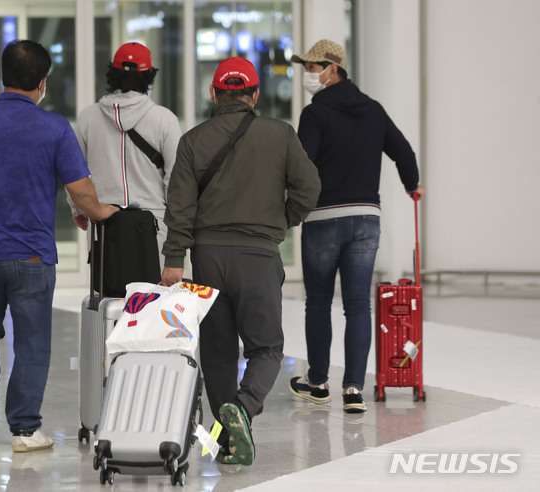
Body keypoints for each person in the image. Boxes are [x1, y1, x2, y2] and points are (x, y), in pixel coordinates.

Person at [0, 40, 118, 452]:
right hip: (34, 254)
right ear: (42, 83)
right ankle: (24, 430)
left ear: (2, 77)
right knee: (33, 341)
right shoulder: (54, 127)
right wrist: (103, 213)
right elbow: (82, 192)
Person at [161, 57, 320, 466]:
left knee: (217, 352)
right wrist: (280, 221)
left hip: (209, 258)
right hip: (259, 256)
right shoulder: (280, 134)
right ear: (254, 95)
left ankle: (229, 440)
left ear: (213, 94)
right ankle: (244, 409)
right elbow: (310, 187)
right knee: (266, 348)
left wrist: (174, 258)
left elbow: (180, 206)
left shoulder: (193, 140)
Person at [288, 39, 425, 413]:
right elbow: (404, 152)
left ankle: (317, 383)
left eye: (313, 67)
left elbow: (302, 166)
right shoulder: (373, 111)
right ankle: (353, 391)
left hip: (323, 219)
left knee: (317, 303)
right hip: (366, 218)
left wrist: (289, 203)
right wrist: (413, 185)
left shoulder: (315, 114)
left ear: (333, 69)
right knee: (357, 306)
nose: (308, 74)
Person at [70, 42, 181, 265]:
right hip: (154, 226)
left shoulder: (88, 118)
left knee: (108, 296)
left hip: (104, 225)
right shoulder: (165, 119)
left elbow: (74, 174)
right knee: (152, 297)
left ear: (112, 74)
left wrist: (79, 208)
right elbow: (176, 179)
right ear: (149, 75)